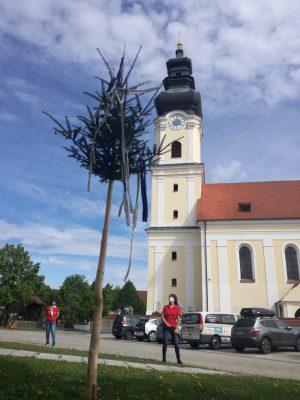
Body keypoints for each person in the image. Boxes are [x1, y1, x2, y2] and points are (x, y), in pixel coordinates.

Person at [161, 293, 182, 364]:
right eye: (170, 297)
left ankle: (178, 360)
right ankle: (164, 359)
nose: (170, 298)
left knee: (176, 343)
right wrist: (166, 323)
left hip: (173, 327)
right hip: (166, 327)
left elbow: (178, 319)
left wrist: (176, 328)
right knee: (165, 342)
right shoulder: (165, 307)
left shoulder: (177, 308)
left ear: (174, 299)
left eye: (172, 297)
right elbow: (162, 316)